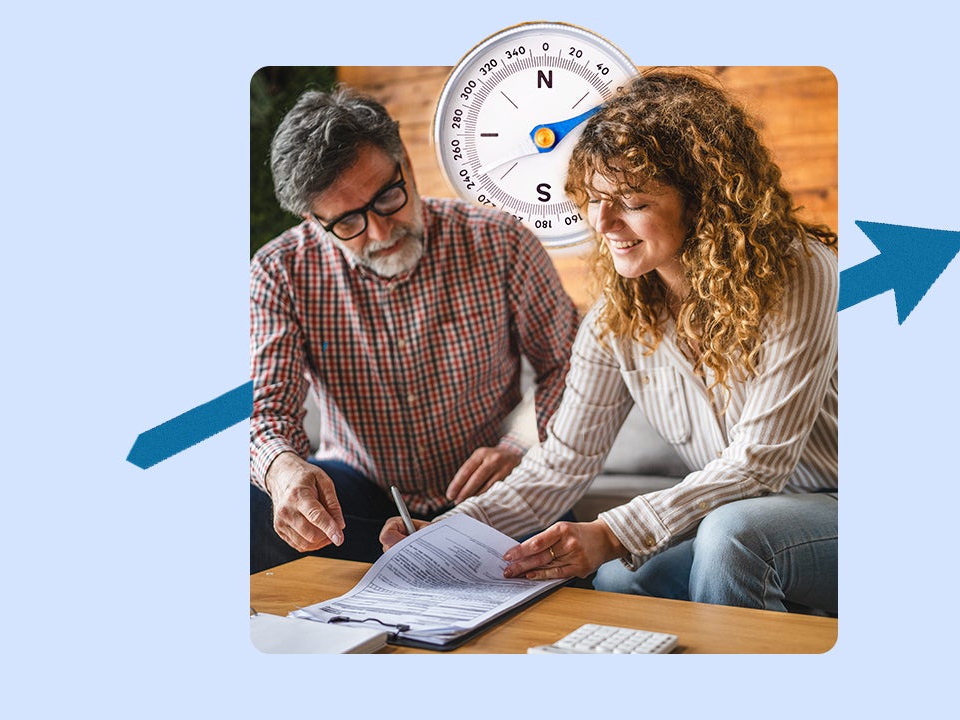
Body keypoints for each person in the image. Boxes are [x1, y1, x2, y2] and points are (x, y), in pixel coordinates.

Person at [381, 69, 839, 614]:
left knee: (731, 536)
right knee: (622, 578)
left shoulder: (799, 272)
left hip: (838, 505)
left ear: (702, 201)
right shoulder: (614, 319)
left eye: (632, 201)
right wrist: (447, 531)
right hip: (738, 512)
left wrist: (612, 532)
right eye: (595, 198)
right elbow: (561, 464)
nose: (603, 222)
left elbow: (758, 465)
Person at [250, 85, 579, 574]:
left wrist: (518, 446)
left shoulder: (502, 241)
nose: (381, 232)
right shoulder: (278, 272)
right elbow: (266, 408)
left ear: (404, 161)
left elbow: (569, 367)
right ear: (313, 219)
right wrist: (282, 469)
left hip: (493, 490)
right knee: (247, 511)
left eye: (388, 197)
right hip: (360, 502)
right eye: (348, 222)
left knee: (552, 544)